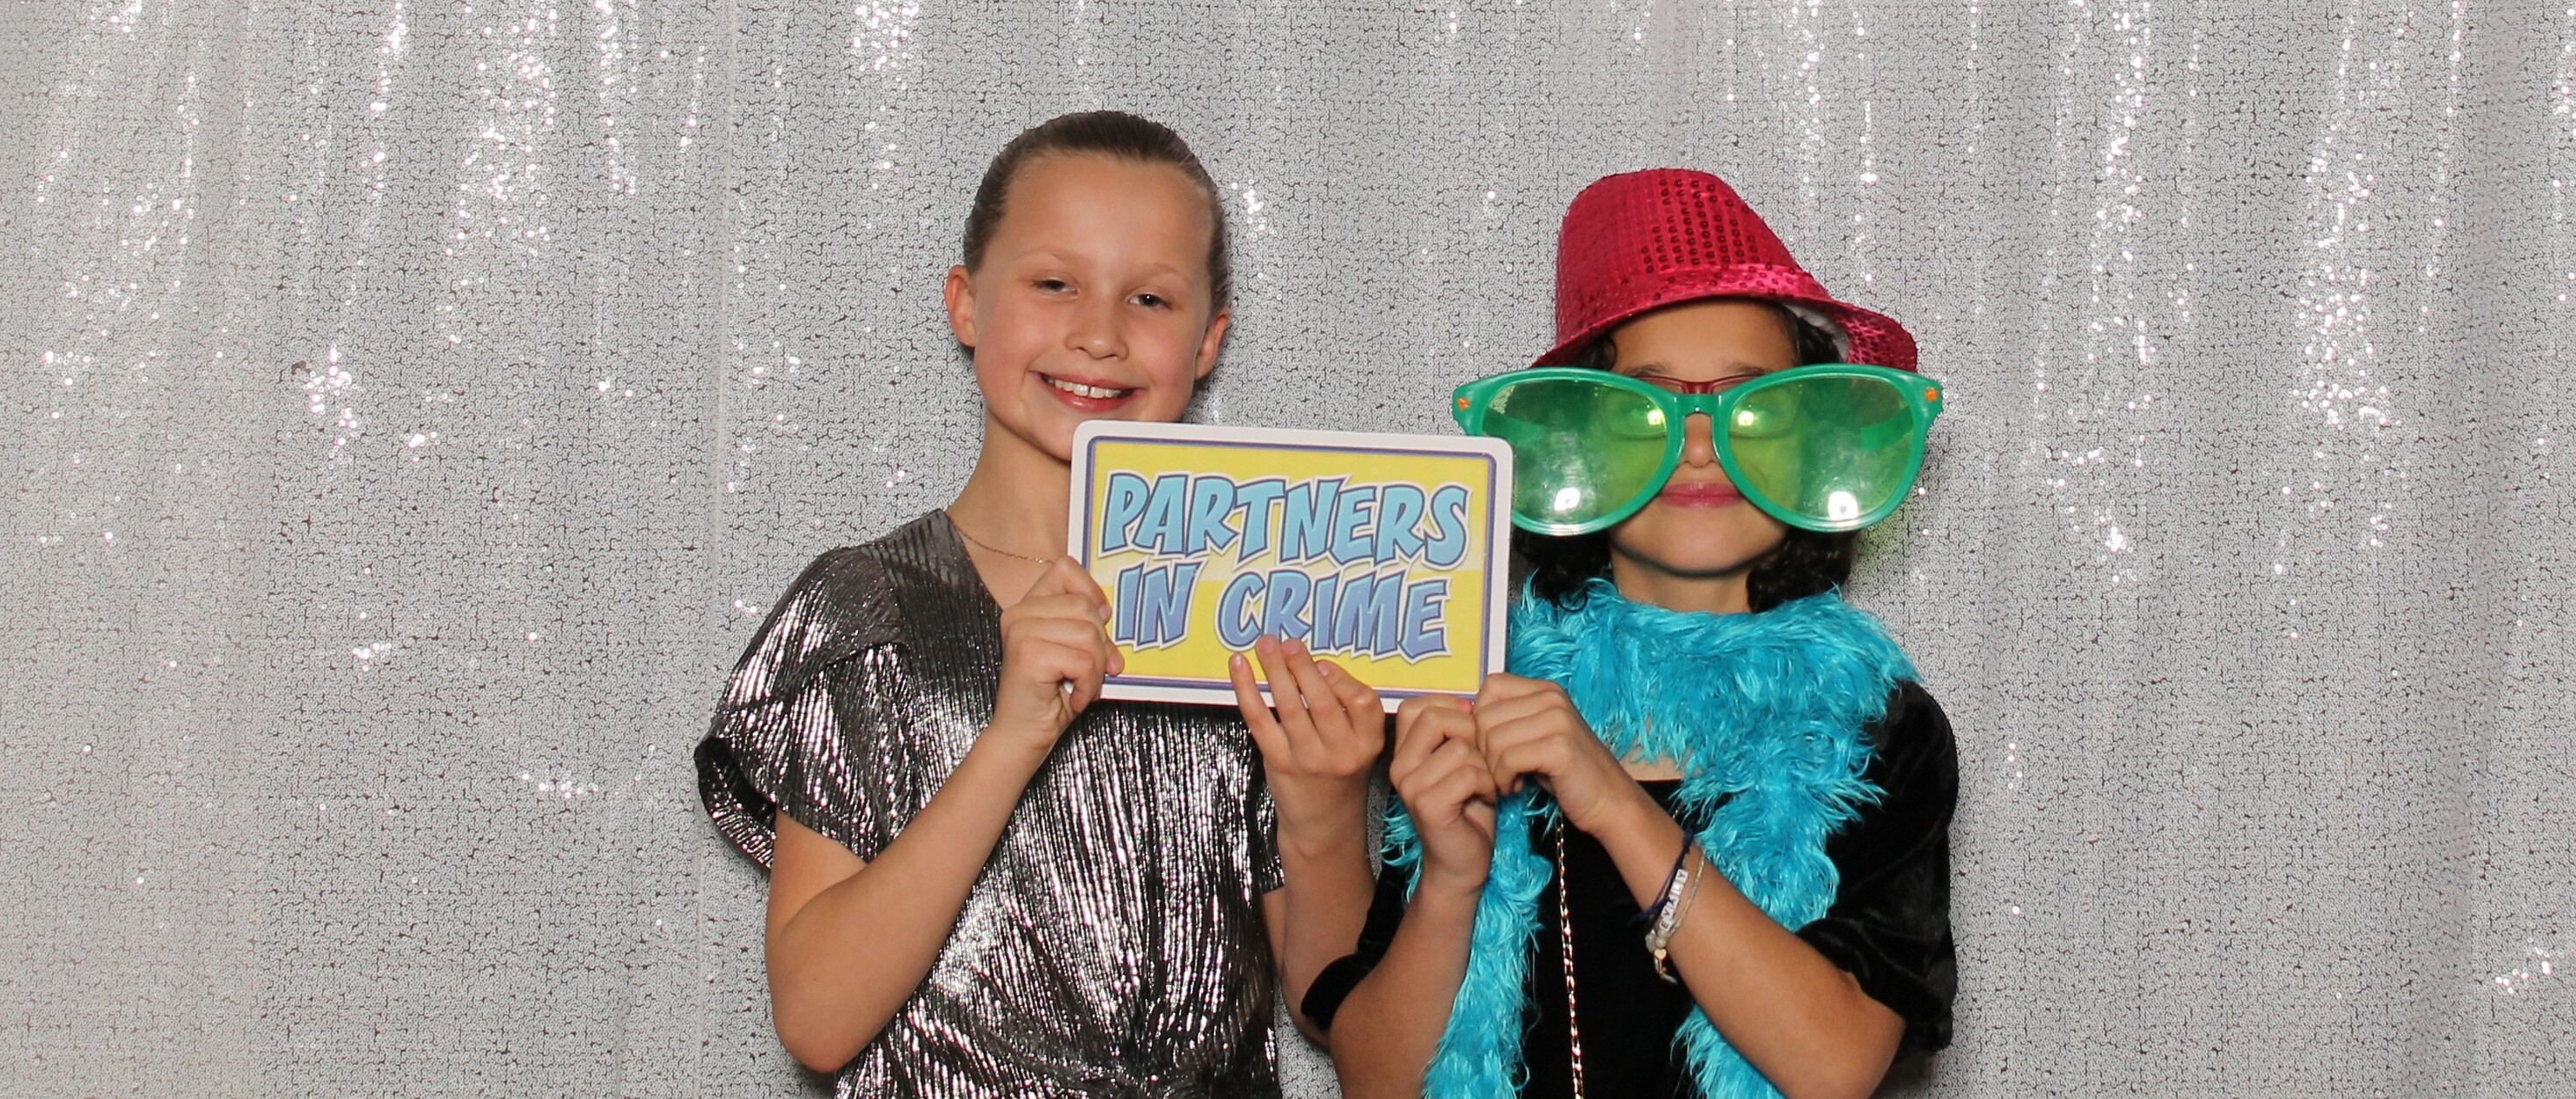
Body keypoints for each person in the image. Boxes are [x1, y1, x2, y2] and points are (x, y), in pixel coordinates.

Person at [697, 110, 1385, 1096]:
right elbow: (815, 1017)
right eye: (1054, 284)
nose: (1099, 334)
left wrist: (1323, 813)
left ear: (1207, 342)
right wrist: (1010, 738)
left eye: (1149, 298)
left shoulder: (1258, 620)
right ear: (966, 304)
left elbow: (1339, 1013)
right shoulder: (869, 613)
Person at [1308, 168, 1958, 1099]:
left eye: (1751, 408)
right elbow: (1375, 1082)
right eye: (1643, 410)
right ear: (1574, 446)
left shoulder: (1879, 730)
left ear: (1812, 447)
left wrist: (1612, 801)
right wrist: (1451, 876)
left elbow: (1835, 1065)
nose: (1698, 441)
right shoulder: (1475, 701)